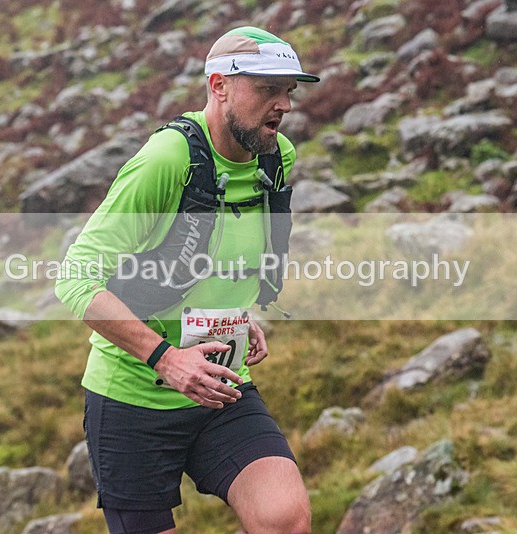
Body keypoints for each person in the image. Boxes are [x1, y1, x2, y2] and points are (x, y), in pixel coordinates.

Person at [55, 26, 319, 534]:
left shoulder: (276, 156)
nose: (284, 104)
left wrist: (236, 314)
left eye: (290, 90)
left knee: (284, 520)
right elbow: (75, 277)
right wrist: (169, 359)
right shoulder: (166, 161)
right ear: (219, 85)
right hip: (133, 398)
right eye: (268, 89)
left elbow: (219, 252)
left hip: (220, 388)